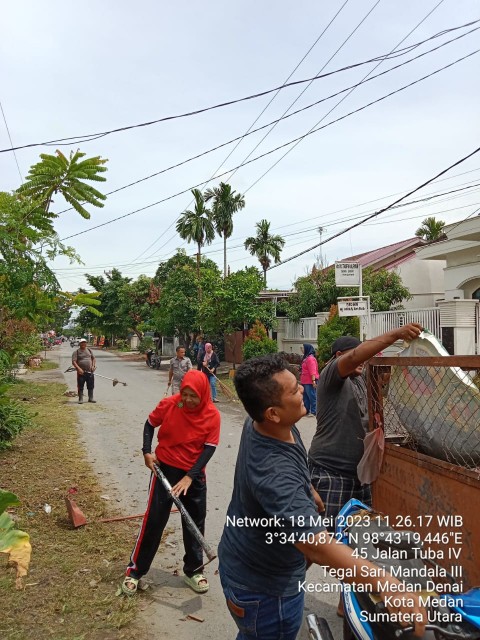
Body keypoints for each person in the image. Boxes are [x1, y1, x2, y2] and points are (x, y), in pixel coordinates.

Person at [218, 353, 426, 640]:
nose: (303, 389)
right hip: (264, 591)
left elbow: (294, 466)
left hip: (242, 561)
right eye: (293, 390)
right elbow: (316, 546)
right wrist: (387, 583)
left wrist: (310, 489)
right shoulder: (275, 473)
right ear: (273, 413)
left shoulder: (269, 423)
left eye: (297, 383)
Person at [308, 323, 422, 530]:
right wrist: (396, 334)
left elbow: (389, 374)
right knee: (326, 541)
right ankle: (290, 564)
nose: (362, 361)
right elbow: (354, 358)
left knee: (361, 540)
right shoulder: (331, 376)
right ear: (339, 356)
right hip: (331, 472)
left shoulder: (361, 378)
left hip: (360, 476)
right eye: (358, 355)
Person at [122, 370, 220, 596]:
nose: (187, 400)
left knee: (194, 522)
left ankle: (194, 571)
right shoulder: (169, 404)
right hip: (165, 469)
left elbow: (209, 449)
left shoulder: (212, 415)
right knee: (154, 520)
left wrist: (189, 477)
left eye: (193, 395)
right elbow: (149, 424)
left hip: (193, 475)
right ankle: (135, 571)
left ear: (203, 394)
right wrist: (147, 452)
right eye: (184, 394)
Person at [72, 338, 96, 404]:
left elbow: (93, 359)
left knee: (91, 385)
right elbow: (74, 361)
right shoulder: (76, 352)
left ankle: (91, 398)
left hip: (90, 372)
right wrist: (79, 368)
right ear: (79, 344)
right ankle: (81, 398)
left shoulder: (89, 350)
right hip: (81, 372)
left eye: (84, 342)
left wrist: (93, 366)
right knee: (80, 385)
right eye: (82, 343)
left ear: (86, 344)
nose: (83, 344)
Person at [300, 343, 319, 417]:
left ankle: (314, 411)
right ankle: (307, 410)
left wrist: (313, 381)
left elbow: (312, 370)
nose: (302, 350)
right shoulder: (306, 358)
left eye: (302, 348)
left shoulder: (310, 359)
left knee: (312, 396)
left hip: (310, 381)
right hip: (305, 381)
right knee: (306, 397)